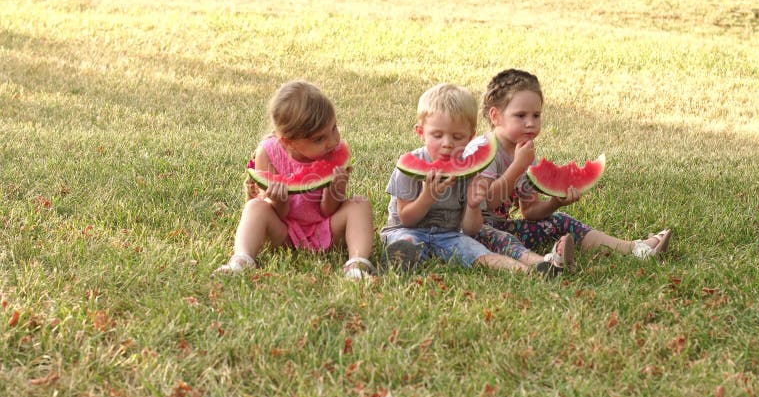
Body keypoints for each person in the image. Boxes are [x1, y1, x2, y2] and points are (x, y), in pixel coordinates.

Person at [474, 68, 671, 261]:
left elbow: (530, 211)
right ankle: (545, 263)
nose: (530, 123)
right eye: (520, 115)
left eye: (536, 115)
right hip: (470, 231)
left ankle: (636, 249)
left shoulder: (525, 153)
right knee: (501, 237)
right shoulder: (485, 150)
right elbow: (489, 201)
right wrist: (518, 165)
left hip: (500, 227)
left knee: (559, 219)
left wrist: (554, 202)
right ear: (495, 116)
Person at [380, 83, 573, 276]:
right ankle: (401, 261)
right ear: (421, 132)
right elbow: (406, 219)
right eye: (437, 135)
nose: (447, 144)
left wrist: (473, 206)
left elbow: (470, 230)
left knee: (482, 254)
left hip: (450, 235)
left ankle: (537, 270)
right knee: (406, 244)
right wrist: (427, 197)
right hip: (406, 231)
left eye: (457, 137)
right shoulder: (408, 164)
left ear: (470, 137)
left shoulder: (471, 171)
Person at [214, 80, 376, 280]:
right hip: (283, 233)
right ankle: (242, 259)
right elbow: (275, 213)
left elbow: (327, 211)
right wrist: (277, 201)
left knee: (359, 204)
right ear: (288, 141)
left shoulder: (332, 152)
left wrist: (336, 191)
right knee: (255, 207)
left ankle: (357, 265)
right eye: (319, 139)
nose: (332, 141)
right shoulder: (268, 152)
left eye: (334, 128)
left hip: (326, 228)